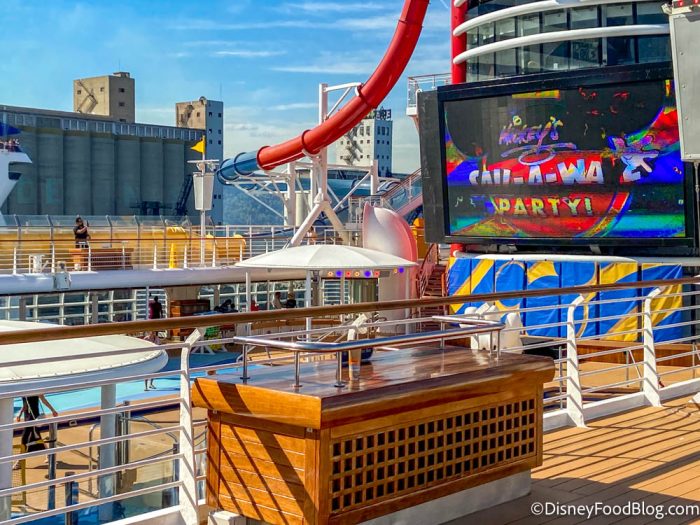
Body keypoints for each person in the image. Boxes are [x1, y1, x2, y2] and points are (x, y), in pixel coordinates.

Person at [14, 395, 58, 469]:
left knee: (24, 438)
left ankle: (20, 461)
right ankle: (49, 454)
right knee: (37, 437)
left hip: (34, 417)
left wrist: (52, 410)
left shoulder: (34, 390)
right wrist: (20, 414)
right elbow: (25, 404)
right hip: (27, 416)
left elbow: (43, 399)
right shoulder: (23, 390)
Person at [145, 295, 163, 390]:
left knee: (152, 370)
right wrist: (162, 318)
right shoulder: (158, 304)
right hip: (156, 318)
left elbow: (148, 304)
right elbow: (161, 311)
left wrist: (149, 296)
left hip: (153, 318)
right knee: (149, 370)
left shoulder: (152, 304)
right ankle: (147, 385)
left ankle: (149, 384)